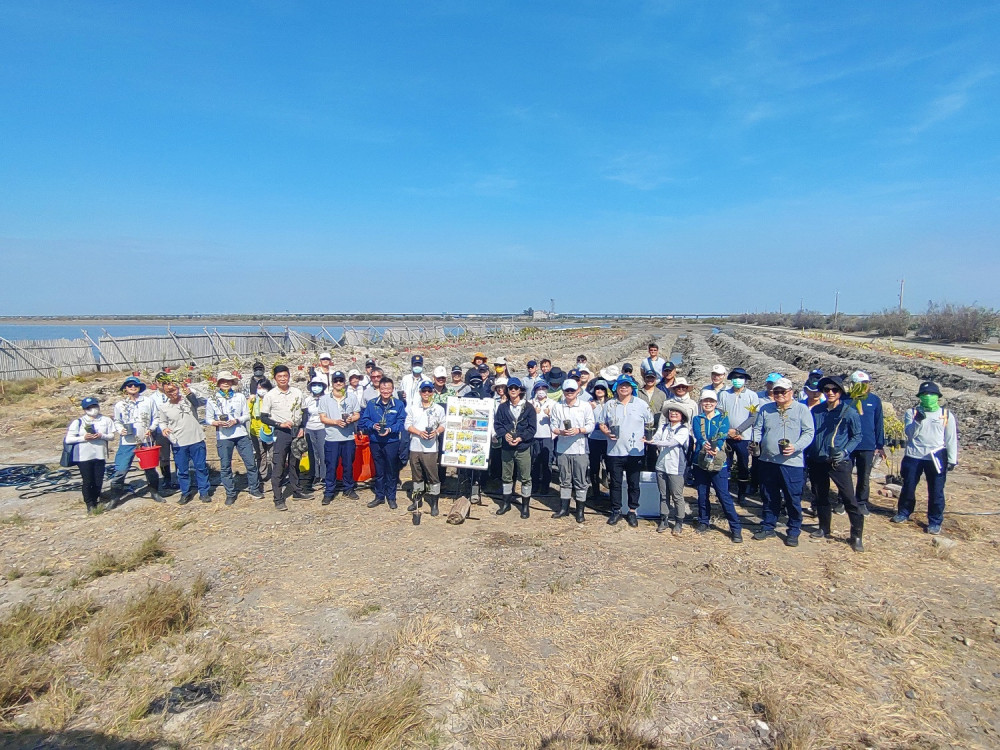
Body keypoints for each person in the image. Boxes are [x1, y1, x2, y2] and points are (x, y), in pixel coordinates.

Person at [750, 378, 815, 547]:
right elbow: (758, 429)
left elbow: (809, 432)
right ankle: (768, 525)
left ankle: (793, 530)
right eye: (776, 392)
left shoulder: (801, 409)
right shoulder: (766, 409)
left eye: (783, 392)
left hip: (791, 462)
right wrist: (755, 443)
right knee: (769, 495)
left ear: (791, 392)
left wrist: (796, 447)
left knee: (792, 497)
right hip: (767, 460)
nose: (779, 395)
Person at [805, 376, 865, 551]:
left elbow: (857, 436)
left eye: (835, 390)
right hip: (817, 459)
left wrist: (845, 451)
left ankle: (856, 535)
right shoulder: (817, 411)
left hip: (838, 462)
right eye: (827, 390)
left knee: (848, 498)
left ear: (840, 393)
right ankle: (824, 527)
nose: (830, 393)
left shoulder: (849, 412)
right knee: (820, 495)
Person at [891, 381, 958, 536]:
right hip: (914, 456)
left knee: (936, 491)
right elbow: (909, 434)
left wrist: (952, 459)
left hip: (936, 457)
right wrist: (918, 421)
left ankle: (935, 521)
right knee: (908, 487)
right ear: (920, 396)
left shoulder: (946, 415)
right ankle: (904, 512)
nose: (928, 397)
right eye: (924, 395)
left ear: (938, 397)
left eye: (931, 395)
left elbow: (951, 438)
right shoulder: (912, 412)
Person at [599, 375, 653, 527]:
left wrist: (647, 435)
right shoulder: (609, 405)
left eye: (627, 385)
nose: (624, 388)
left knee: (633, 483)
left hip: (635, 452)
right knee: (615, 483)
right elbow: (602, 423)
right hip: (614, 451)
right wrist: (606, 432)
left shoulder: (641, 404)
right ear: (616, 387)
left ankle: (632, 511)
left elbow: (649, 423)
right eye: (621, 385)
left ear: (632, 388)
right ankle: (615, 510)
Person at [691, 390, 742, 542]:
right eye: (705, 401)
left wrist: (716, 447)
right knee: (702, 493)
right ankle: (703, 521)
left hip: (718, 461)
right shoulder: (697, 418)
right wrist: (703, 444)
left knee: (723, 494)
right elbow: (698, 435)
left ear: (716, 403)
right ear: (701, 402)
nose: (708, 403)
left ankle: (735, 527)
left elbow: (722, 433)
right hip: (700, 460)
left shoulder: (723, 418)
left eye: (711, 401)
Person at [206, 371, 264, 505]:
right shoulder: (213, 399)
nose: (225, 383)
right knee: (225, 466)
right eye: (222, 381)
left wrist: (236, 421)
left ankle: (254, 489)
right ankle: (230, 493)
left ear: (232, 383)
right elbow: (208, 419)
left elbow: (247, 415)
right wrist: (217, 423)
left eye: (228, 380)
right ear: (219, 383)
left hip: (241, 434)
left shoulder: (239, 397)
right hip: (224, 436)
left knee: (250, 463)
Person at [155, 381, 212, 504]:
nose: (172, 393)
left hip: (196, 439)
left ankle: (204, 492)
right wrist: (164, 428)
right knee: (182, 470)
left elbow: (204, 400)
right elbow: (162, 421)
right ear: (164, 393)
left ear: (178, 389)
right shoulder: (164, 407)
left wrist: (191, 392)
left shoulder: (189, 401)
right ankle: (185, 492)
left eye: (174, 390)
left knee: (201, 467)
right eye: (168, 391)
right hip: (179, 442)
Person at [259, 364, 308, 509]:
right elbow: (263, 417)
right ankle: (278, 498)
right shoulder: (270, 395)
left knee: (295, 463)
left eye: (285, 376)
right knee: (279, 465)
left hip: (296, 432)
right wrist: (279, 424)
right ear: (275, 378)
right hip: (281, 433)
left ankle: (297, 491)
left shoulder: (297, 392)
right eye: (279, 376)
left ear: (289, 376)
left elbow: (305, 412)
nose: (283, 379)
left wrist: (302, 428)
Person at [109, 376, 163, 505]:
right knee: (121, 469)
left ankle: (154, 492)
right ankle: (115, 497)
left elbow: (156, 417)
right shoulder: (120, 405)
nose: (133, 387)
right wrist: (120, 429)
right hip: (127, 441)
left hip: (145, 440)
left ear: (139, 388)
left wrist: (151, 428)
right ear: (125, 389)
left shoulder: (148, 401)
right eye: (129, 385)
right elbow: (117, 421)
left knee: (150, 468)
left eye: (135, 385)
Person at [550, 379, 596, 522]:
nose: (569, 393)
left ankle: (580, 510)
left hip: (580, 449)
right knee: (564, 479)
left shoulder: (585, 406)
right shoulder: (557, 407)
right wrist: (561, 432)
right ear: (563, 392)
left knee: (580, 480)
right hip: (563, 449)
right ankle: (564, 508)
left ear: (578, 391)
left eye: (572, 390)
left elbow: (591, 425)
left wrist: (579, 430)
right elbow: (553, 426)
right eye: (567, 390)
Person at [359, 376, 407, 509]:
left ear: (392, 390)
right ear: (379, 389)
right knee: (379, 470)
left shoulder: (398, 404)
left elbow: (402, 422)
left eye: (388, 389)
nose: (386, 391)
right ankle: (379, 496)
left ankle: (391, 497)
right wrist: (373, 425)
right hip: (376, 441)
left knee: (391, 470)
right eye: (383, 388)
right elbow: (364, 420)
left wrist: (391, 429)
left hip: (391, 441)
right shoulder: (372, 403)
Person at [493, 377, 537, 518]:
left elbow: (532, 428)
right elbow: (497, 424)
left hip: (523, 447)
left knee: (525, 477)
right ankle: (506, 504)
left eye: (515, 388)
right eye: (510, 388)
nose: (513, 390)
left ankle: (525, 506)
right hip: (507, 448)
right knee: (506, 477)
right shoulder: (502, 407)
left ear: (520, 390)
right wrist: (504, 434)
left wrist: (521, 437)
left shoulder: (529, 408)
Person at [65, 397, 116, 514]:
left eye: (94, 406)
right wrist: (83, 438)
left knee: (98, 479)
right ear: (84, 409)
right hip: (83, 456)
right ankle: (89, 503)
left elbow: (112, 436)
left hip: (99, 454)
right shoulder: (78, 422)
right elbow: (69, 439)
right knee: (88, 480)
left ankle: (96, 498)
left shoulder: (105, 420)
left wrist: (101, 436)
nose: (93, 409)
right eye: (89, 408)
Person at [646, 404, 691, 535]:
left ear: (682, 416)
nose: (674, 414)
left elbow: (672, 443)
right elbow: (656, 437)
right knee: (663, 494)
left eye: (677, 412)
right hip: (661, 465)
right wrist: (650, 438)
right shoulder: (664, 427)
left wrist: (653, 442)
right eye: (672, 412)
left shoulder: (683, 430)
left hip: (676, 467)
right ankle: (664, 519)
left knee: (677, 496)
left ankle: (679, 522)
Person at [718, 368, 760, 506]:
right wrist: (728, 430)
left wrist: (739, 430)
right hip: (727, 436)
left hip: (744, 437)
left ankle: (741, 494)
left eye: (740, 377)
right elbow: (721, 413)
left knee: (743, 465)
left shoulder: (752, 396)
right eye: (735, 377)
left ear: (745, 380)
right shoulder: (723, 394)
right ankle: (725, 493)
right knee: (725, 464)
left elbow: (753, 416)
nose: (737, 380)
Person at [318, 372, 362, 503]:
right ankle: (329, 491)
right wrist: (336, 422)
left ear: (345, 382)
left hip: (348, 438)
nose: (338, 383)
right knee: (331, 465)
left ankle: (348, 488)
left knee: (348, 464)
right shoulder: (324, 399)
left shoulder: (352, 397)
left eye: (341, 380)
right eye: (336, 380)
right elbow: (322, 418)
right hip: (332, 438)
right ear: (332, 383)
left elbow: (357, 414)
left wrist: (350, 419)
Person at [404, 381, 446, 516]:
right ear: (420, 392)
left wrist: (436, 432)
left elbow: (443, 424)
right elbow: (407, 425)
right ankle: (417, 500)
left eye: (429, 391)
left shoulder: (438, 408)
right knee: (417, 476)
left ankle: (434, 503)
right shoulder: (413, 408)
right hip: (415, 446)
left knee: (433, 476)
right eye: (424, 391)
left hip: (431, 448)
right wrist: (418, 432)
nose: (426, 393)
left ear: (432, 392)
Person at [846, 371, 884, 516]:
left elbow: (878, 422)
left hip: (867, 444)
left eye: (865, 384)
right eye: (859, 384)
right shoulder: (846, 399)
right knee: (845, 474)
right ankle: (843, 500)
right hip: (848, 444)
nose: (863, 386)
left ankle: (861, 502)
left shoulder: (874, 400)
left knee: (864, 475)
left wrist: (880, 445)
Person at [300, 376, 329, 494]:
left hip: (323, 427)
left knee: (323, 452)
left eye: (319, 385)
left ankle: (325, 476)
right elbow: (305, 415)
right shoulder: (307, 400)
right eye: (314, 385)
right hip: (310, 428)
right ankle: (315, 475)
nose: (316, 387)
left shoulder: (327, 399)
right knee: (312, 454)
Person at [637, 366, 666, 471]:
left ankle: (652, 469)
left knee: (653, 449)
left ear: (655, 379)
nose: (650, 380)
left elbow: (664, 411)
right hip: (640, 425)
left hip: (655, 426)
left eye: (652, 378)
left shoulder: (661, 394)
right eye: (648, 378)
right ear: (644, 378)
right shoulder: (638, 393)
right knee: (640, 448)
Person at [529, 381, 555, 496]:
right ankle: (534, 486)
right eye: (538, 388)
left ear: (547, 390)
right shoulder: (530, 403)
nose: (541, 390)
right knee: (534, 462)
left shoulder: (553, 404)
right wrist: (533, 412)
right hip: (534, 437)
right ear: (535, 391)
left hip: (548, 437)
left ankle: (545, 486)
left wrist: (550, 415)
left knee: (547, 463)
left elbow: (559, 420)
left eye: (543, 388)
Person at [587, 379, 611, 498]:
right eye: (597, 389)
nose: (599, 391)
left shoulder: (611, 403)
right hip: (594, 438)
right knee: (594, 467)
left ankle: (611, 492)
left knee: (610, 466)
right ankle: (595, 492)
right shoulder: (590, 403)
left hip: (608, 439)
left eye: (602, 389)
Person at [248, 378, 274, 481]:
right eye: (259, 388)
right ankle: (262, 474)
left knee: (273, 454)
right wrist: (250, 401)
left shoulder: (272, 399)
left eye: (263, 388)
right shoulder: (254, 400)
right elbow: (247, 412)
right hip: (256, 431)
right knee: (260, 454)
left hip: (270, 431)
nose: (261, 390)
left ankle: (276, 474)